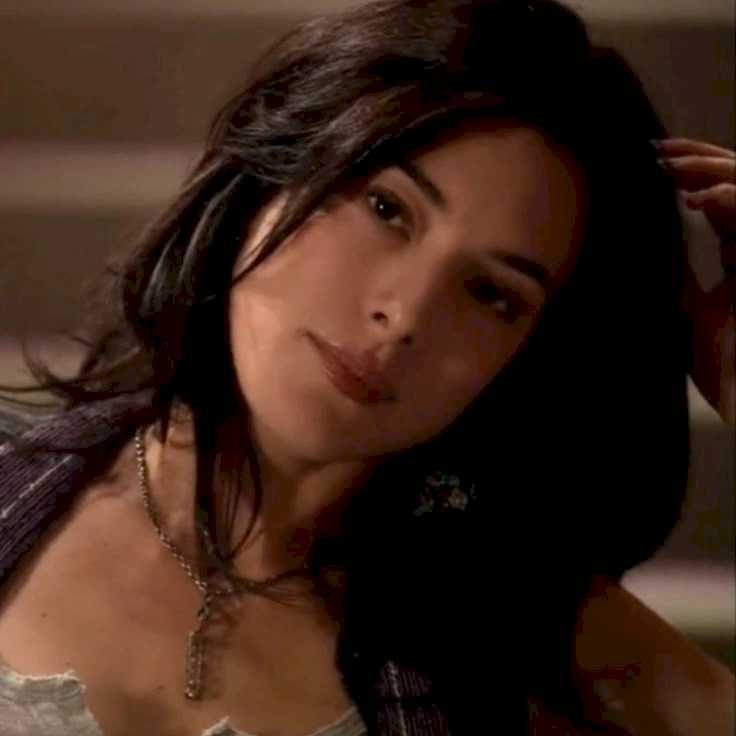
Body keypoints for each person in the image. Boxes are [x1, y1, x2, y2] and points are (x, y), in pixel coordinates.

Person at [0, 0, 733, 734]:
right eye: (387, 209)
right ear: (274, 172)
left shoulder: (533, 635)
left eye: (490, 293)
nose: (405, 315)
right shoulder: (18, 481)